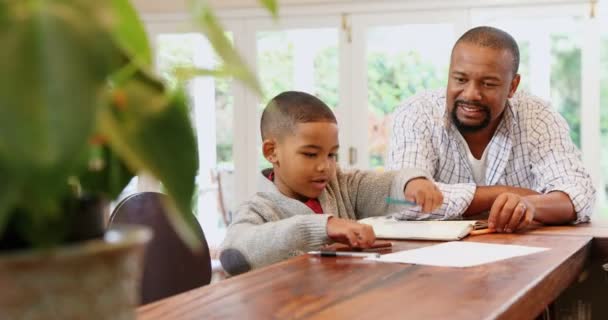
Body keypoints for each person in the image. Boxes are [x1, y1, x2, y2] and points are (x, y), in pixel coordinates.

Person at [388, 26, 595, 233]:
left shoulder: (538, 116)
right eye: (460, 79)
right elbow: (400, 199)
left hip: (523, 254)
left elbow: (579, 194)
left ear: (513, 86)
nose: (470, 94)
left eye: (488, 84)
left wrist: (530, 205)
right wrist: (501, 194)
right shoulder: (417, 113)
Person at [220, 91, 443, 275]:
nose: (325, 167)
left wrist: (410, 185)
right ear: (272, 152)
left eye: (331, 155)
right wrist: (322, 227)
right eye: (310, 154)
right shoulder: (258, 209)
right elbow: (232, 255)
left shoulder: (340, 185)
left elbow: (383, 189)